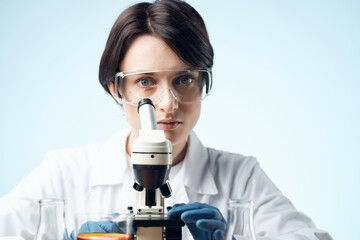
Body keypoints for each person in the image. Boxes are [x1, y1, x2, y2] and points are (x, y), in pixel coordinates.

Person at [0, 1, 333, 240]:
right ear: (116, 89)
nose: (168, 103)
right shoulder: (66, 172)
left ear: (203, 83)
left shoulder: (240, 177)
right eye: (146, 81)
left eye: (184, 79)